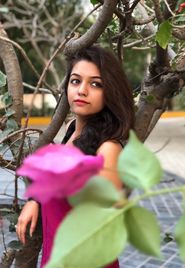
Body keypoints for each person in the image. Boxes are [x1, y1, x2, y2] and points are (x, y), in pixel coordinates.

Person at [16, 45, 135, 267]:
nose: (82, 90)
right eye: (75, 81)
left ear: (110, 92)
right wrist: (34, 200)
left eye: (95, 84)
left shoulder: (107, 148)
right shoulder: (72, 133)